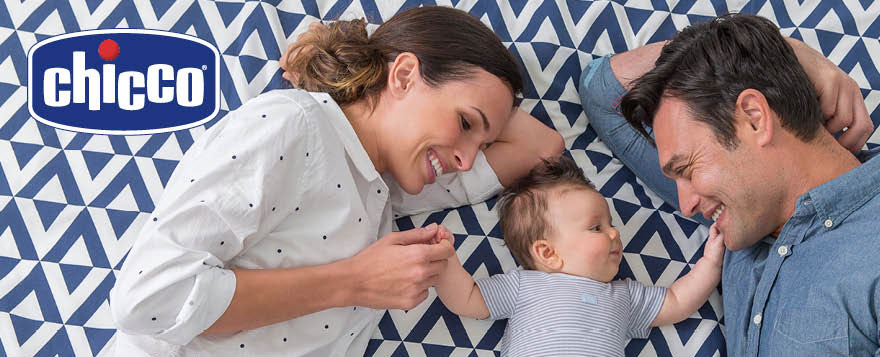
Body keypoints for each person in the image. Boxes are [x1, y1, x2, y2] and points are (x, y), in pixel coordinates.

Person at [109, 6, 564, 357]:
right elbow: (150, 299)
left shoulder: (387, 189)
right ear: (404, 75)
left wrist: (481, 109)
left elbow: (542, 146)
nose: (466, 162)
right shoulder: (292, 124)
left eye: (482, 143)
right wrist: (354, 282)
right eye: (465, 123)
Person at [579, 13, 879, 356]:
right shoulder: (745, 219)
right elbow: (603, 92)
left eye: (688, 169)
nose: (686, 203)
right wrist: (782, 52)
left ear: (754, 118)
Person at [429, 156, 724, 356]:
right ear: (547, 253)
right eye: (597, 227)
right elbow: (467, 299)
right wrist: (445, 263)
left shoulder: (624, 296)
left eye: (611, 224)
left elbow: (677, 301)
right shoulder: (525, 286)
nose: (614, 234)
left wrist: (710, 263)